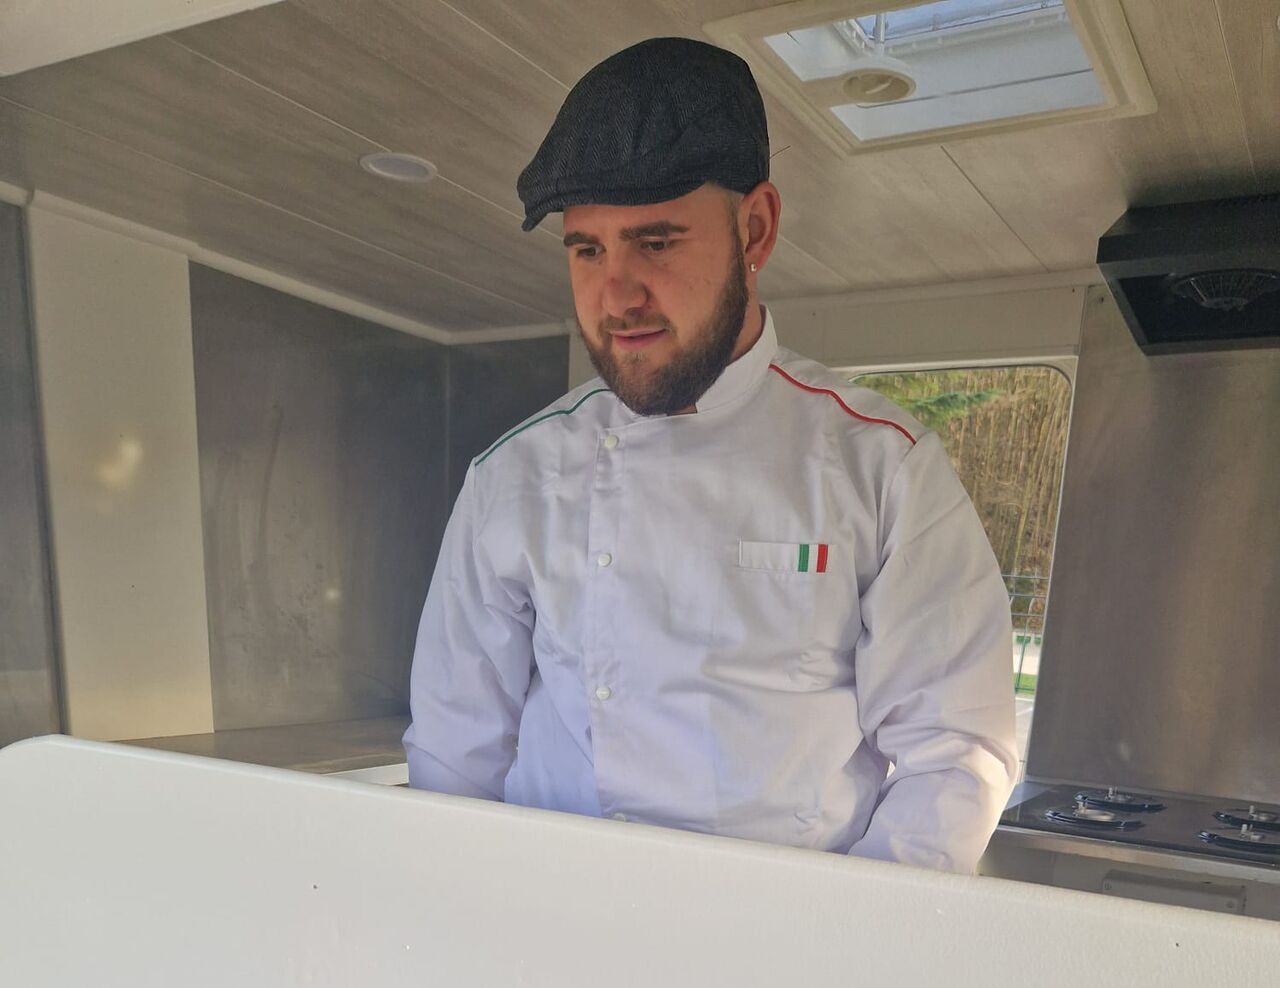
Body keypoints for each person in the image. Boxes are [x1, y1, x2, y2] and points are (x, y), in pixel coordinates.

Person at [404, 37, 1017, 873]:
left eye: (655, 242)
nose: (617, 295)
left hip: (787, 939)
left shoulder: (883, 468)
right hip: (553, 920)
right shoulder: (512, 477)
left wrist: (841, 933)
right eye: (587, 249)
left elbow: (954, 755)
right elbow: (453, 757)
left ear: (754, 227)